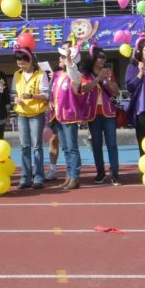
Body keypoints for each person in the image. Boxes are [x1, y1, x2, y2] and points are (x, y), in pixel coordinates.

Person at [50, 44, 94, 190]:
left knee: (72, 147)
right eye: (62, 56)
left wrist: (69, 57)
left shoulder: (74, 76)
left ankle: (75, 176)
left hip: (69, 116)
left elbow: (73, 71)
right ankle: (69, 175)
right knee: (65, 149)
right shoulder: (57, 75)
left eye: (63, 57)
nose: (60, 59)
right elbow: (53, 93)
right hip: (58, 116)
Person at [82, 45, 122, 185]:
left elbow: (116, 91)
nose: (102, 60)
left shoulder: (109, 72)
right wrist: (98, 78)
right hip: (93, 114)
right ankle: (100, 172)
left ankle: (115, 174)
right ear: (93, 58)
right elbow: (84, 89)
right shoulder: (86, 74)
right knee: (97, 145)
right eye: (99, 57)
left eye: (104, 57)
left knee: (112, 144)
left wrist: (109, 80)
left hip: (109, 113)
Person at [12, 47, 49, 190]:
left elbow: (46, 95)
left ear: (30, 60)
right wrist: (16, 99)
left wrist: (32, 96)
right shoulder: (17, 74)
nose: (20, 66)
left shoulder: (41, 74)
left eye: (23, 63)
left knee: (36, 146)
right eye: (18, 63)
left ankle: (38, 177)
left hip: (36, 114)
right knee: (24, 146)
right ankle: (25, 177)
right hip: (21, 114)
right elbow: (13, 93)